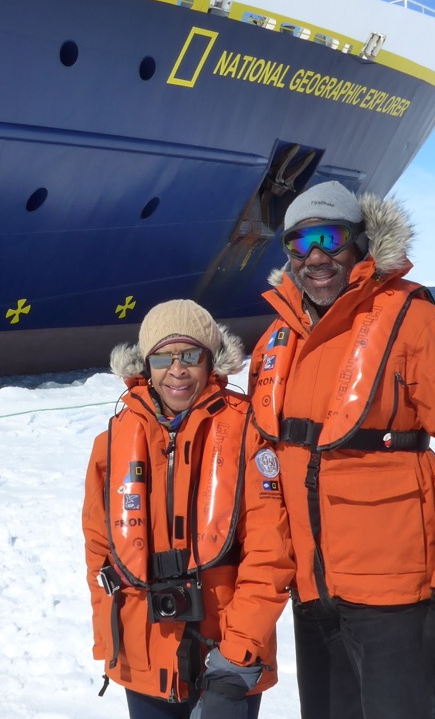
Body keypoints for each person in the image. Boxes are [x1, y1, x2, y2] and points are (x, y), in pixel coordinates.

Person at [249, 181, 435, 719]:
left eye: (330, 238)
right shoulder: (278, 341)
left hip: (396, 601)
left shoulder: (418, 325)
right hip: (314, 597)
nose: (316, 256)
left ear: (361, 243)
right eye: (300, 242)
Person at [83, 299, 294, 719]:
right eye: (162, 357)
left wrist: (237, 655)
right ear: (145, 365)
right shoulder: (112, 441)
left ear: (211, 361)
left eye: (190, 355)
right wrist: (114, 642)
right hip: (142, 657)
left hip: (227, 656)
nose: (176, 370)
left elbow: (270, 556)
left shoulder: (248, 431)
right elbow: (98, 549)